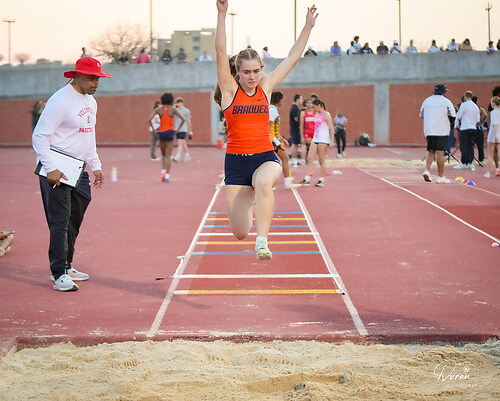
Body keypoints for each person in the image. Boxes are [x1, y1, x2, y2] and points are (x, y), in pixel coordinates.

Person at [214, 0, 318, 260]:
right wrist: (222, 14)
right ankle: (252, 198)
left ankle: (262, 242)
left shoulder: (266, 86)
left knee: (263, 183)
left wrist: (307, 27)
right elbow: (220, 50)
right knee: (240, 232)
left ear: (262, 70)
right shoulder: (229, 91)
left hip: (264, 157)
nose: (252, 77)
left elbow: (293, 57)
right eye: (247, 72)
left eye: (256, 71)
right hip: (236, 164)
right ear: (236, 72)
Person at [32, 57, 111, 291]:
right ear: (77, 76)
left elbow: (88, 135)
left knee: (74, 218)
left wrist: (95, 165)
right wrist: (50, 168)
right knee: (60, 221)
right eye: (91, 78)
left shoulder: (91, 102)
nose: (96, 82)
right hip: (56, 168)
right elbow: (40, 136)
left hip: (77, 168)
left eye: (98, 78)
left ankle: (66, 264)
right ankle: (59, 274)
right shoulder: (60, 101)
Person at [419, 84, 456, 184]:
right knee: (440, 153)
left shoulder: (426, 101)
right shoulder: (446, 102)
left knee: (430, 151)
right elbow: (453, 116)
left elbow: (422, 115)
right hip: (441, 130)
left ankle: (427, 170)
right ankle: (440, 176)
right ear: (443, 92)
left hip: (429, 130)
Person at [148, 93, 186, 182]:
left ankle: (163, 174)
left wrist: (154, 129)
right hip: (170, 132)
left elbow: (149, 119)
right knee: (168, 156)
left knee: (163, 155)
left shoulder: (158, 109)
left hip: (161, 132)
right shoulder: (173, 109)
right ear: (171, 100)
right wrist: (177, 130)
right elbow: (183, 119)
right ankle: (168, 176)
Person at [300, 98, 334, 187]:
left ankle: (321, 180)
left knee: (321, 160)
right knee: (309, 158)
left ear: (319, 106)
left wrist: (331, 141)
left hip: (323, 139)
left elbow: (331, 128)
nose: (313, 109)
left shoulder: (326, 114)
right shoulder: (316, 114)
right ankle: (307, 178)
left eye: (314, 107)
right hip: (315, 139)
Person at [269, 92, 297, 189]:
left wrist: (283, 139)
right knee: (284, 159)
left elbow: (274, 128)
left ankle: (271, 184)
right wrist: (268, 140)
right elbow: (268, 127)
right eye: (281, 100)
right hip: (273, 140)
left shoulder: (271, 109)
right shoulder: (272, 110)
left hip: (274, 139)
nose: (282, 102)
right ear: (278, 100)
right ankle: (287, 182)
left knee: (271, 162)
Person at [454, 90, 480, 171]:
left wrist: (456, 125)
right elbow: (477, 119)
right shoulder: (475, 106)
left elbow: (459, 115)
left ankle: (464, 163)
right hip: (473, 127)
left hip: (464, 127)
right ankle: (470, 162)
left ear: (465, 96)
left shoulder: (464, 105)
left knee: (464, 145)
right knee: (470, 145)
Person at [172, 97, 193, 162]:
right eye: (177, 103)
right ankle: (187, 155)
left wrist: (190, 130)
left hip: (183, 129)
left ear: (182, 103)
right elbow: (171, 115)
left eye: (180, 103)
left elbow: (189, 120)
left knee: (180, 142)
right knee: (183, 142)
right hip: (177, 129)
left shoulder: (186, 110)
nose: (179, 104)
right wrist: (173, 107)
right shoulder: (175, 110)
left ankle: (177, 156)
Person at [484, 96, 500, 178]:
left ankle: (488, 173)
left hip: (493, 134)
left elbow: (495, 123)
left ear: (493, 103)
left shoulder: (494, 112)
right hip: (499, 134)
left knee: (490, 154)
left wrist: (495, 135)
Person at [472, 95, 488, 164]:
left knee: (471, 145)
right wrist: (481, 121)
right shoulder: (479, 109)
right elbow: (485, 115)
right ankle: (481, 160)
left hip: (472, 127)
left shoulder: (470, 109)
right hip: (478, 128)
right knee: (480, 145)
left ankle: (471, 159)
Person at [289, 94, 304, 166]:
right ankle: (294, 159)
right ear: (297, 99)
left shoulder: (296, 108)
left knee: (296, 144)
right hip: (295, 129)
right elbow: (296, 119)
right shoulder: (294, 109)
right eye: (301, 99)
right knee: (294, 144)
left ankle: (294, 159)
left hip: (295, 129)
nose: (302, 100)